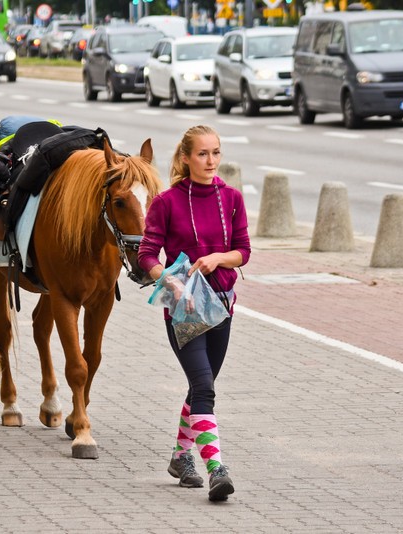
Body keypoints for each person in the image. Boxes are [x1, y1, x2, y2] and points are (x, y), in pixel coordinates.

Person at [138, 125, 251, 502]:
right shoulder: (167, 202)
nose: (211, 161)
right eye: (202, 154)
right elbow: (147, 255)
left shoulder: (231, 198)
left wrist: (220, 257)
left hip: (221, 306)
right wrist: (169, 281)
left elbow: (243, 251)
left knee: (201, 388)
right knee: (203, 386)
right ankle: (216, 469)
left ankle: (179, 456)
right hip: (183, 309)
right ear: (185, 158)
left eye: (216, 153)